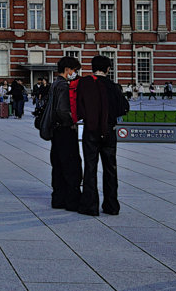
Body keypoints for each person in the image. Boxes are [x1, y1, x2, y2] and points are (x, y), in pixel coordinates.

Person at [74, 55, 124, 216]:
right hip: (109, 130)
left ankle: (90, 205)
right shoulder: (114, 86)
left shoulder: (84, 83)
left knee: (90, 167)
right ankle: (111, 205)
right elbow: (124, 107)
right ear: (108, 69)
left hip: (91, 129)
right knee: (110, 168)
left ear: (92, 67)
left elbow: (78, 105)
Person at [45, 56, 83, 210]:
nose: (75, 73)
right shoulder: (64, 86)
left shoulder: (54, 84)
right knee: (71, 164)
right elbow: (63, 109)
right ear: (67, 70)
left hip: (55, 129)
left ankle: (58, 198)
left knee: (58, 165)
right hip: (65, 129)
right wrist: (72, 121)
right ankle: (72, 200)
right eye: (74, 70)